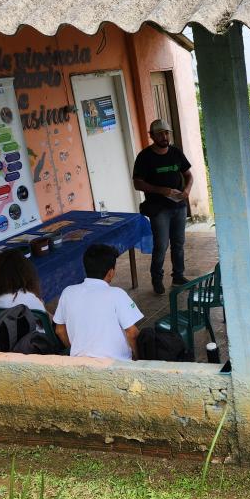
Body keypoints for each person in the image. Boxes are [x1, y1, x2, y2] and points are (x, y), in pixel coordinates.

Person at [132, 119, 193, 295]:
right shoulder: (144, 157)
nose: (164, 136)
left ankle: (178, 276)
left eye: (166, 133)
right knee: (161, 245)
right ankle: (157, 279)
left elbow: (189, 175)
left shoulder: (176, 152)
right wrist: (161, 190)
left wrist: (187, 190)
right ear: (152, 136)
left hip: (179, 205)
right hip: (158, 209)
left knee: (178, 243)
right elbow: (137, 183)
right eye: (159, 134)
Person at [53, 244, 143, 361]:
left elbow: (60, 330)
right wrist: (138, 359)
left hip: (79, 364)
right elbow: (132, 334)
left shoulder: (68, 292)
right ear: (111, 272)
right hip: (115, 365)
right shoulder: (117, 294)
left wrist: (75, 350)